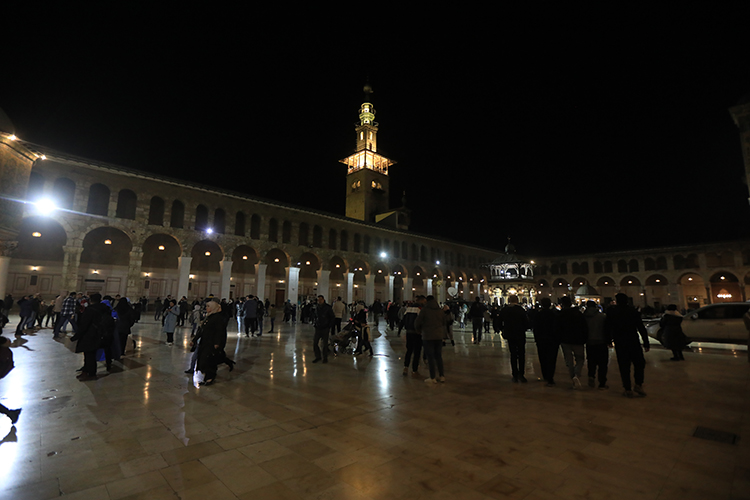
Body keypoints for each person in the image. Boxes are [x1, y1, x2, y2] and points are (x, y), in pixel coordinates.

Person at [605, 293, 650, 398]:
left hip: (620, 341)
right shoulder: (633, 311)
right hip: (633, 340)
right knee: (639, 363)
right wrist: (646, 342)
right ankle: (638, 384)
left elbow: (608, 327)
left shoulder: (612, 312)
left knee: (624, 366)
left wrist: (608, 340)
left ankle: (627, 388)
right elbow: (640, 327)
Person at [71, 293, 110, 380]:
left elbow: (84, 325)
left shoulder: (90, 310)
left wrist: (76, 337)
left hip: (89, 335)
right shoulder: (106, 309)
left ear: (91, 300)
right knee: (91, 355)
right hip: (100, 334)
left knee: (89, 356)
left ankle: (91, 374)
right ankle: (86, 371)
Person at [193, 300, 229, 385]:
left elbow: (219, 332)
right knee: (203, 359)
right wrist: (194, 340)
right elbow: (202, 330)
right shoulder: (209, 316)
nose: (206, 308)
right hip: (205, 341)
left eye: (208, 306)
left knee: (209, 359)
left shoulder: (218, 318)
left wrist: (217, 343)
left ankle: (210, 377)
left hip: (211, 342)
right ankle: (205, 377)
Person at [416, 295, 448, 384]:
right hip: (439, 336)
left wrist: (418, 330)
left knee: (430, 357)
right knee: (438, 356)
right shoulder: (440, 311)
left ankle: (432, 377)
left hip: (428, 335)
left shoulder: (425, 310)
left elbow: (417, 322)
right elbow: (444, 322)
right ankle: (442, 376)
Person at [558, 296, 588, 389]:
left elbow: (557, 328)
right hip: (578, 340)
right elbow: (584, 326)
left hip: (565, 340)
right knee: (580, 359)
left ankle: (573, 376)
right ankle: (577, 374)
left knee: (569, 361)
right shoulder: (578, 313)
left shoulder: (560, 314)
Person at [498, 295, 530, 382]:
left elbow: (499, 321)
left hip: (510, 334)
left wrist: (503, 330)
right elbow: (526, 323)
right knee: (521, 354)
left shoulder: (505, 310)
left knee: (513, 354)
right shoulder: (521, 310)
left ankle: (514, 375)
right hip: (520, 334)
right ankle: (521, 374)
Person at [533, 297, 560, 386]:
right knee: (552, 359)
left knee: (543, 358)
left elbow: (535, 328)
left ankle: (545, 375)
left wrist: (536, 339)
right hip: (552, 340)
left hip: (541, 340)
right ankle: (550, 377)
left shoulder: (538, 315)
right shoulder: (554, 314)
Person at [583, 300, 609, 389]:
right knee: (602, 364)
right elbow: (607, 329)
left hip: (589, 342)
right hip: (601, 341)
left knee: (591, 361)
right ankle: (602, 383)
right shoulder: (602, 316)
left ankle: (591, 376)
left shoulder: (584, 317)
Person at [402, 296, 426, 377]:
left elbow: (403, 320)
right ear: (421, 300)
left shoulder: (408, 308)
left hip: (409, 332)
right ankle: (414, 370)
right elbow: (422, 321)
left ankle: (405, 367)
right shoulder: (420, 309)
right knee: (417, 352)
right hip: (417, 333)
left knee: (409, 350)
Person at [0, 336, 21, 425]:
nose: (10, 343)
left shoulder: (4, 352)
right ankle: (10, 413)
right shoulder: (5, 352)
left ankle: (10, 413)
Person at [312, 295, 334, 363]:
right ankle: (318, 356)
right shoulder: (317, 307)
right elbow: (315, 316)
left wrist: (329, 326)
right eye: (318, 300)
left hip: (325, 328)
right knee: (315, 343)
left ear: (323, 300)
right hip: (318, 327)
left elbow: (332, 317)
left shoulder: (328, 308)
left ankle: (325, 358)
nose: (319, 301)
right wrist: (315, 323)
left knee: (324, 344)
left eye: (321, 300)